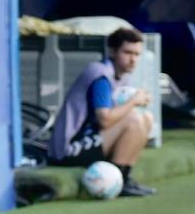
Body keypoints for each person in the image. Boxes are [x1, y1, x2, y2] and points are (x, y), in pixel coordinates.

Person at [48, 28, 157, 197]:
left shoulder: (122, 77)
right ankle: (119, 180)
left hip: (93, 141)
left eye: (137, 54)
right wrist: (133, 101)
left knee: (146, 118)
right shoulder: (100, 75)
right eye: (128, 53)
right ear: (112, 51)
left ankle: (125, 177)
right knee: (134, 118)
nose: (133, 60)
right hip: (69, 150)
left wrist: (134, 103)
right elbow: (104, 120)